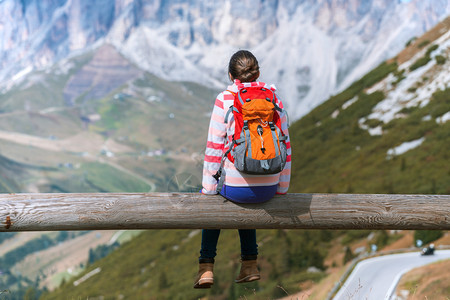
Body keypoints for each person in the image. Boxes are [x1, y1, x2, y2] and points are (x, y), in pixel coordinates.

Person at [194, 50, 291, 289]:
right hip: (269, 187)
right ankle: (250, 265)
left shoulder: (224, 99)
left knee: (216, 199)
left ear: (231, 75)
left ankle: (206, 268)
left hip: (236, 188)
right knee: (248, 196)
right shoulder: (274, 98)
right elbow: (286, 145)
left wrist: (208, 189)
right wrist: (281, 188)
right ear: (258, 73)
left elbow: (214, 148)